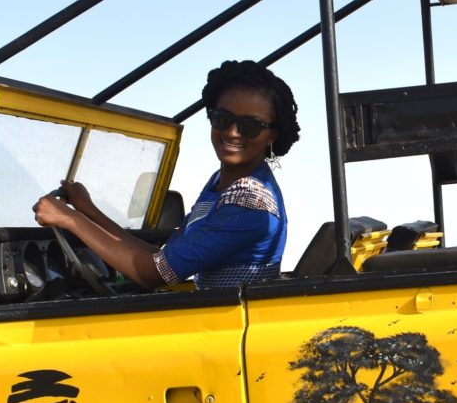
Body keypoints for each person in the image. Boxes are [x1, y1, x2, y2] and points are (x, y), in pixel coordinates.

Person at [33, 60, 298, 289]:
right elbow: (161, 258)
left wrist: (69, 219)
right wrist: (86, 209)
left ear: (272, 134)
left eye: (249, 126)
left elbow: (152, 274)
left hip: (228, 328)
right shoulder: (224, 184)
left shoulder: (250, 201)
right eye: (222, 119)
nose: (231, 132)